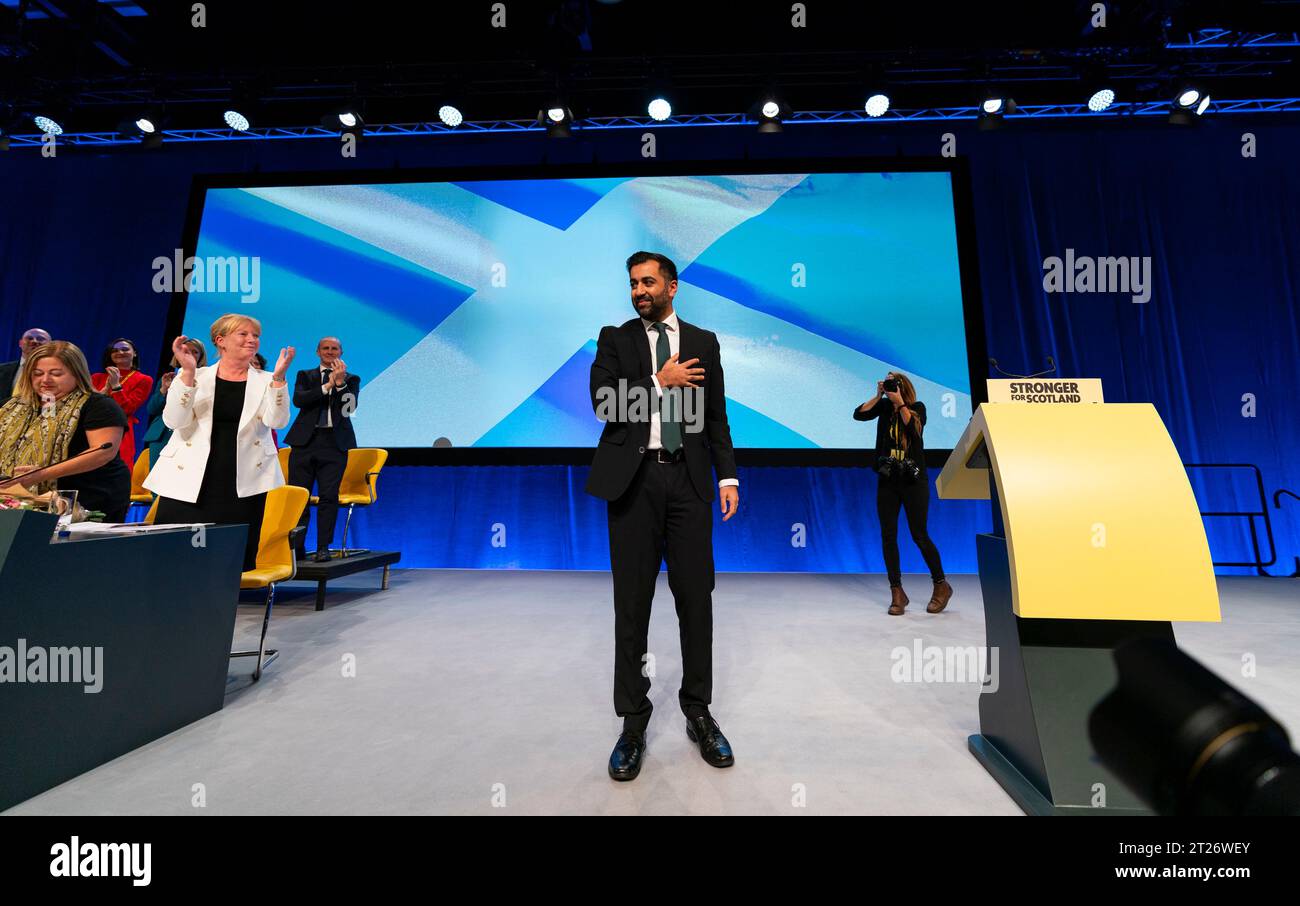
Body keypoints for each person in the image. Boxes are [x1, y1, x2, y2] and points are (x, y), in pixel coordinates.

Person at [586, 250, 739, 782]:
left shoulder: (703, 342)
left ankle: (698, 711)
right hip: (635, 484)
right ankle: (632, 723)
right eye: (633, 283)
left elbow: (715, 414)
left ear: (672, 286)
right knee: (632, 606)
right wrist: (659, 381)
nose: (638, 291)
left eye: (648, 282)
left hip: (690, 484)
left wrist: (727, 476)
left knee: (697, 601)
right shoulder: (616, 338)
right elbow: (604, 405)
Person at [143, 315, 294, 572]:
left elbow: (277, 422)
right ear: (220, 341)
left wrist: (279, 379)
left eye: (255, 335)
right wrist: (188, 373)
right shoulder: (194, 375)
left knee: (227, 562)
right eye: (243, 334)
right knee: (174, 559)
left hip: (241, 482)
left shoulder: (268, 379)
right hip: (189, 479)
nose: (252, 340)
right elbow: (174, 421)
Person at [854, 371, 953, 615]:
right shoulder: (884, 407)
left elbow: (914, 430)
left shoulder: (917, 407)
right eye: (886, 383)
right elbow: (859, 414)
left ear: (903, 386)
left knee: (919, 534)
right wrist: (878, 396)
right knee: (888, 536)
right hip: (888, 480)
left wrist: (900, 403)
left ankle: (941, 585)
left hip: (913, 481)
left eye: (892, 383)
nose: (889, 386)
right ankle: (897, 592)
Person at [0, 341, 130, 522]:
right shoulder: (10, 406)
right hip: (19, 502)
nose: (45, 380)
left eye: (56, 374)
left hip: (89, 500)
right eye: (37, 374)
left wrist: (39, 475)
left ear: (77, 374)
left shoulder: (99, 405)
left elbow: (103, 452)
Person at [284, 337, 360, 561]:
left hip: (334, 444)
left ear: (341, 351)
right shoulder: (305, 376)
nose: (329, 351)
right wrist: (327, 385)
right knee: (299, 496)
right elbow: (300, 400)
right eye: (325, 348)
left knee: (329, 497)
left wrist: (339, 384)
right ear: (318, 351)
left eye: (334, 348)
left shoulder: (351, 379)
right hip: (304, 443)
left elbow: (349, 408)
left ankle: (323, 548)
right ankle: (296, 548)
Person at [140, 337, 208, 473]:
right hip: (161, 435)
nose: (190, 355)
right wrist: (163, 390)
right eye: (186, 351)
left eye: (195, 352)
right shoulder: (169, 378)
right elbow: (152, 409)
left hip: (187, 435)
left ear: (201, 357)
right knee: (156, 476)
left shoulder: (206, 379)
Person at [91, 338, 154, 472]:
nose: (119, 352)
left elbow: (127, 408)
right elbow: (89, 405)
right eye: (114, 350)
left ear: (134, 353)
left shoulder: (144, 380)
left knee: (116, 472)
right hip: (93, 427)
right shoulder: (97, 378)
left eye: (125, 349)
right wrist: (104, 391)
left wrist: (116, 386)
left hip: (121, 430)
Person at [0, 327, 53, 404]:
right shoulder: (1, 369)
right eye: (29, 338)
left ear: (50, 345)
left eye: (40, 338)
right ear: (20, 343)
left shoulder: (55, 373)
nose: (34, 341)